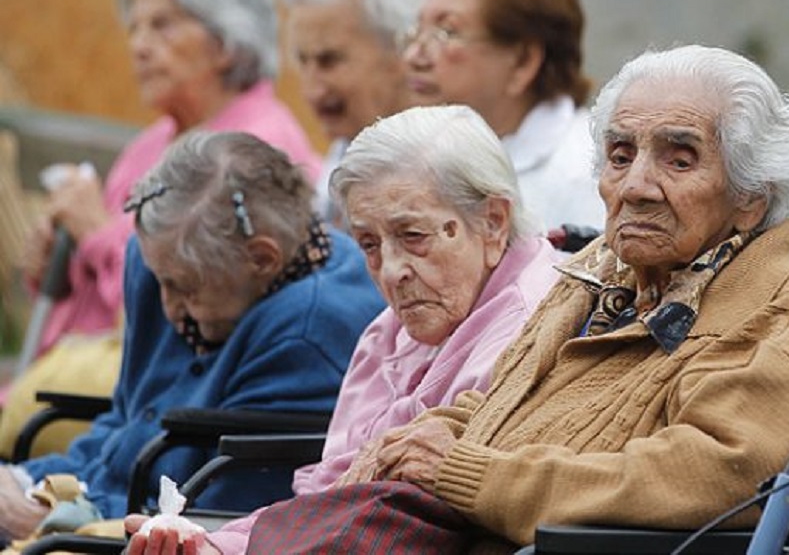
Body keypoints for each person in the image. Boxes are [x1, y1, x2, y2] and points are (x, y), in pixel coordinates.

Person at [216, 44, 789, 553]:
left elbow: (716, 472)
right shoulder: (603, 271)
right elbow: (500, 399)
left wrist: (473, 475)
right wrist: (426, 437)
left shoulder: (776, 307)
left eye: (679, 161)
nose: (636, 186)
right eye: (620, 155)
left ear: (750, 198)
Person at [125, 104, 561, 554]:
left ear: (492, 222)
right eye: (368, 244)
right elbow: (329, 499)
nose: (391, 271)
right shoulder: (390, 329)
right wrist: (210, 543)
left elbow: (407, 521)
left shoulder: (529, 329)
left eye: (413, 236)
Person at [5, 0, 321, 444]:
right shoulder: (151, 143)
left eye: (163, 24)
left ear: (226, 40)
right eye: (135, 28)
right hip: (97, 388)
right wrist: (55, 271)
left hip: (167, 402)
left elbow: (188, 311)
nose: (139, 45)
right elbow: (99, 295)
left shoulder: (255, 148)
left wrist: (95, 236)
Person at [0, 131, 383, 542]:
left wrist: (56, 518)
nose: (168, 306)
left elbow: (224, 516)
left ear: (262, 258)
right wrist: (29, 481)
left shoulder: (312, 331)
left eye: (185, 287)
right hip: (101, 504)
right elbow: (125, 423)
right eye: (159, 280)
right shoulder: (161, 261)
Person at [404, 0, 605, 232]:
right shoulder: (424, 155)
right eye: (417, 29)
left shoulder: (588, 173)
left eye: (447, 32)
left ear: (523, 61)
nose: (413, 56)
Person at [279, 0, 424, 222]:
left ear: (401, 48)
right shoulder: (347, 149)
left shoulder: (446, 173)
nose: (312, 90)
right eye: (302, 61)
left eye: (328, 61)